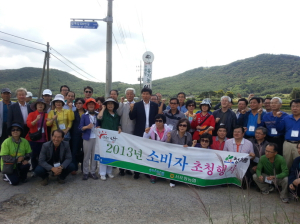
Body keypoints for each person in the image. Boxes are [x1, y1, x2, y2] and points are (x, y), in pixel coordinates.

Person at [97, 98, 121, 180]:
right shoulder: (104, 113)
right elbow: (99, 118)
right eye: (108, 104)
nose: (110, 105)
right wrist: (103, 108)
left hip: (113, 137)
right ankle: (102, 173)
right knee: (104, 154)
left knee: (111, 154)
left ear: (114, 105)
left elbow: (118, 123)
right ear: (106, 105)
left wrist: (119, 127)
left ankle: (109, 171)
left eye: (112, 104)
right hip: (104, 138)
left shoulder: (116, 114)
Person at [143, 114, 172, 183]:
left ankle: (161, 175)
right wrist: (146, 133)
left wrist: (169, 138)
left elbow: (170, 141)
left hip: (164, 149)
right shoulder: (152, 129)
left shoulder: (169, 130)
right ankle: (153, 176)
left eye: (160, 121)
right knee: (154, 162)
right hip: (154, 148)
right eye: (156, 121)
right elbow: (144, 139)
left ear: (164, 122)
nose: (158, 122)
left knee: (162, 162)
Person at [166, 118, 194, 187]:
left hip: (183, 155)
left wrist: (188, 146)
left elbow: (190, 146)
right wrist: (168, 138)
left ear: (187, 127)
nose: (182, 127)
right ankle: (172, 179)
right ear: (178, 126)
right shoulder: (172, 133)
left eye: (184, 125)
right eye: (180, 125)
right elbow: (166, 146)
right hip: (173, 154)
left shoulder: (189, 135)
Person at [79, 98, 101, 180]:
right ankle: (85, 172)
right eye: (89, 104)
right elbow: (80, 127)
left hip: (96, 138)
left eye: (92, 104)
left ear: (95, 106)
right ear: (87, 106)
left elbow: (101, 123)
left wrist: (99, 127)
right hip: (87, 138)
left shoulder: (98, 115)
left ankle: (92, 172)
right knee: (86, 156)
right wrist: (87, 127)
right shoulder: (84, 116)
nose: (91, 105)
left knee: (94, 156)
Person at [25, 99, 49, 172]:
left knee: (42, 156)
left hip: (43, 139)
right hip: (34, 138)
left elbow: (49, 126)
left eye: (42, 104)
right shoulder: (31, 114)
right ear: (36, 106)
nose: (40, 105)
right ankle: (35, 170)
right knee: (34, 156)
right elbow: (29, 125)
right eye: (38, 104)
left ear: (44, 106)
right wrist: (36, 120)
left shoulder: (46, 115)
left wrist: (51, 121)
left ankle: (41, 170)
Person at [276, 99, 300, 169]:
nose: (295, 108)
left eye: (297, 106)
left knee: (298, 164)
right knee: (287, 164)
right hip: (288, 144)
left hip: (299, 145)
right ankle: (287, 179)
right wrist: (278, 118)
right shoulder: (286, 118)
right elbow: (279, 129)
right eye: (293, 106)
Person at [117, 88, 136, 176]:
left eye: (131, 94)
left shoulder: (137, 105)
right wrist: (120, 103)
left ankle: (128, 168)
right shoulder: (123, 104)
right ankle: (121, 169)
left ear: (134, 95)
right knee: (122, 150)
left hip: (132, 131)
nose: (129, 95)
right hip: (123, 130)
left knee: (129, 151)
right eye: (127, 94)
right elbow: (119, 114)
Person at [70, 98, 85, 175]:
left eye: (80, 103)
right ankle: (74, 168)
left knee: (84, 152)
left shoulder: (87, 113)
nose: (78, 105)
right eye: (77, 103)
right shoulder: (73, 113)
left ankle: (84, 168)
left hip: (85, 135)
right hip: (75, 135)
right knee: (74, 151)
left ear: (83, 104)